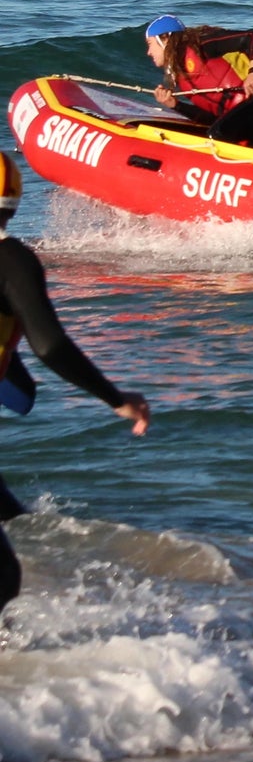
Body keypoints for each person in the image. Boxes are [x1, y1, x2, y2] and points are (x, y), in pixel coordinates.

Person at [0, 153, 152, 615]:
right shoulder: (12, 259)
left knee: (12, 519)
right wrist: (115, 399)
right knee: (5, 577)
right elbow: (50, 346)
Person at [144, 16, 253, 144]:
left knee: (219, 134)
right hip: (245, 116)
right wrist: (176, 105)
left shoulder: (200, 45)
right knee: (216, 131)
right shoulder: (182, 79)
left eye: (150, 44)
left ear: (165, 38)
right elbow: (210, 119)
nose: (148, 52)